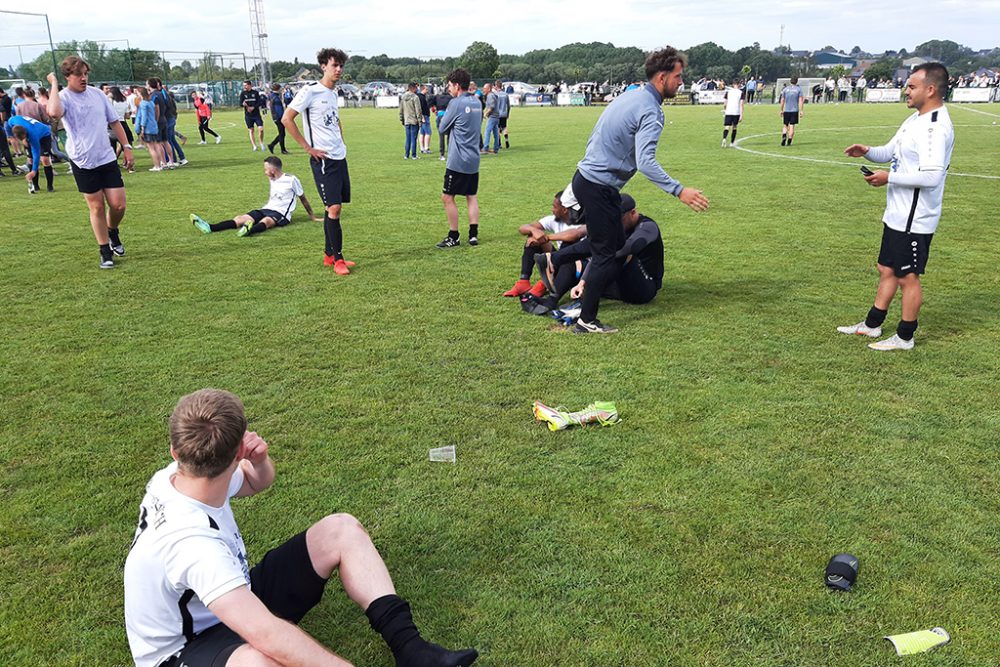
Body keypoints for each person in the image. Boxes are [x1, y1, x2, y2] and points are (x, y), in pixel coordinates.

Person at [124, 388, 479, 667]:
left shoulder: (179, 475)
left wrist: (259, 462)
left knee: (340, 530)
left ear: (175, 450)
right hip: (186, 646)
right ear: (234, 455)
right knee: (259, 660)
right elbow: (267, 633)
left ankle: (413, 652)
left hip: (232, 593)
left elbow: (256, 482)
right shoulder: (194, 547)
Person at [569, 46, 709, 333]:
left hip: (584, 179)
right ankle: (586, 319)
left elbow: (597, 135)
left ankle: (581, 290)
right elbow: (646, 162)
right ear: (661, 77)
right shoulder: (651, 110)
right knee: (606, 254)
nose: (681, 82)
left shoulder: (630, 95)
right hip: (599, 187)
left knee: (613, 245)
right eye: (678, 77)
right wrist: (679, 190)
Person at [838, 63, 955, 351]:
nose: (907, 90)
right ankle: (872, 325)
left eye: (912, 86)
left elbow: (931, 176)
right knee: (887, 268)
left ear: (930, 89)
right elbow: (890, 152)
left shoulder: (934, 128)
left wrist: (889, 177)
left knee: (907, 276)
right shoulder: (915, 120)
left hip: (915, 218)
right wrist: (867, 152)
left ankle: (905, 337)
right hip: (898, 214)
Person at [46, 57, 134, 269]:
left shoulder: (97, 95)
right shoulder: (63, 97)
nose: (84, 78)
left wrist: (127, 147)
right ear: (68, 77)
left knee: (118, 205)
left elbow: (114, 121)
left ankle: (112, 231)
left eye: (86, 74)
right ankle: (105, 251)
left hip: (106, 157)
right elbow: (54, 113)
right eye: (78, 75)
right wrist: (54, 85)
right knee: (96, 207)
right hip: (82, 160)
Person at [284, 48, 356, 275]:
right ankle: (339, 260)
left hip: (338, 156)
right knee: (333, 208)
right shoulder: (310, 91)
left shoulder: (333, 93)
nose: (339, 70)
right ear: (323, 66)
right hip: (323, 160)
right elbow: (287, 118)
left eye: (341, 66)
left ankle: (329, 255)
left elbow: (335, 121)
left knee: (333, 207)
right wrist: (308, 148)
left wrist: (342, 143)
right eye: (335, 65)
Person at [534, 194, 664, 314]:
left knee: (618, 253)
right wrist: (582, 282)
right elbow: (600, 253)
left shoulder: (648, 227)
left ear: (633, 213)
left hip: (644, 288)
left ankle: (556, 260)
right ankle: (551, 301)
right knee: (576, 262)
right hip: (617, 287)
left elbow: (624, 249)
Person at [191, 156, 321, 237]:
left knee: (267, 221)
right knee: (240, 218)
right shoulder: (272, 178)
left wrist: (312, 216)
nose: (265, 172)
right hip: (267, 208)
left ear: (273, 170)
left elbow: (303, 198)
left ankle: (249, 230)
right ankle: (210, 227)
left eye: (266, 169)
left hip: (281, 213)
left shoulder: (292, 180)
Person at [503, 188, 587, 297]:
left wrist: (547, 237)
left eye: (554, 207)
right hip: (562, 260)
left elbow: (574, 235)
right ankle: (523, 282)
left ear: (565, 209)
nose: (552, 210)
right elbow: (523, 228)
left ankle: (544, 284)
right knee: (533, 238)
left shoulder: (583, 221)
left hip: (581, 267)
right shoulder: (554, 220)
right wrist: (534, 230)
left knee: (567, 246)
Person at [436, 68, 482, 248]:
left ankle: (453, 235)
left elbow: (442, 128)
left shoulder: (456, 103)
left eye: (449, 85)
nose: (448, 89)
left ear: (457, 85)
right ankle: (473, 234)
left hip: (457, 160)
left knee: (447, 197)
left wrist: (442, 117)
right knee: (471, 196)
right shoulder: (477, 102)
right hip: (474, 158)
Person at [6, 115, 54, 192]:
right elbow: (7, 125)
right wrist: (10, 136)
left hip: (44, 135)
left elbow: (36, 154)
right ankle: (35, 186)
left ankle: (50, 186)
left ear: (25, 134)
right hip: (29, 131)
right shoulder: (13, 120)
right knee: (30, 160)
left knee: (44, 159)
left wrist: (34, 171)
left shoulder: (33, 136)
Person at [135, 87, 166, 172]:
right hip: (154, 126)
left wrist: (142, 128)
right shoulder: (151, 102)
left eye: (137, 93)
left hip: (148, 127)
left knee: (151, 148)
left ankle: (156, 166)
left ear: (140, 94)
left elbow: (144, 117)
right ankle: (160, 164)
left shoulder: (143, 103)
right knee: (156, 146)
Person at [240, 80, 266, 151]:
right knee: (251, 130)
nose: (244, 87)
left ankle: (261, 142)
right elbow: (240, 103)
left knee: (261, 129)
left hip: (256, 115)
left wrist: (253, 107)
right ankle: (254, 146)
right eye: (244, 85)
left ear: (249, 85)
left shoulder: (255, 93)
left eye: (245, 85)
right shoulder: (242, 93)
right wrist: (243, 104)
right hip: (248, 115)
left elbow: (259, 102)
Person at [779, 76, 804, 146]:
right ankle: (789, 141)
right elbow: (801, 101)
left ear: (790, 81)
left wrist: (781, 110)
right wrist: (801, 110)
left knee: (785, 125)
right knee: (792, 126)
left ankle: (784, 136)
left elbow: (782, 100)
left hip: (786, 110)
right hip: (794, 110)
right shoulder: (799, 89)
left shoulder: (785, 89)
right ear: (797, 81)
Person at [399, 83, 421, 159]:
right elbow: (418, 110)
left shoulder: (403, 97)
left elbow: (401, 109)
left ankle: (406, 155)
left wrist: (401, 119)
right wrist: (420, 121)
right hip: (414, 120)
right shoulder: (415, 97)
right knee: (413, 139)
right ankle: (414, 155)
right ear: (414, 88)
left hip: (407, 120)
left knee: (408, 138)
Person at [267, 83, 289, 154]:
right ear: (277, 89)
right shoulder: (275, 97)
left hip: (276, 117)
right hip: (278, 117)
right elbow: (278, 109)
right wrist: (282, 117)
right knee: (282, 133)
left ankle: (274, 145)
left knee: (282, 133)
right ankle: (281, 149)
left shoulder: (273, 96)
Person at [721, 79, 743, 148]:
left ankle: (724, 139)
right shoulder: (740, 92)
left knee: (727, 126)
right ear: (738, 84)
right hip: (736, 112)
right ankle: (731, 142)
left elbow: (725, 103)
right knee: (734, 127)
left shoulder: (728, 92)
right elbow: (741, 104)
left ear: (733, 84)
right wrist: (741, 115)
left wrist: (725, 110)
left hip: (728, 111)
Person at [432, 87, 453, 161]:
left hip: (440, 116)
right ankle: (450, 153)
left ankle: (442, 154)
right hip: (448, 117)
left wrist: (434, 111)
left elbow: (432, 104)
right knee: (450, 136)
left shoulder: (437, 97)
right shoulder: (451, 98)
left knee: (441, 136)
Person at [481, 83, 500, 154]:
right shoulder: (491, 95)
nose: (483, 90)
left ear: (489, 89)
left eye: (485, 88)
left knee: (487, 132)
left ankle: (485, 148)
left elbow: (491, 107)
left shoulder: (490, 96)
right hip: (496, 116)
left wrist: (485, 114)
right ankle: (496, 149)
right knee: (495, 133)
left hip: (493, 117)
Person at [493, 80, 511, 149]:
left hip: (497, 114)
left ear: (496, 86)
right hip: (504, 113)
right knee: (504, 127)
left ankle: (499, 143)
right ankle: (506, 140)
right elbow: (509, 105)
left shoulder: (495, 94)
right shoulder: (505, 94)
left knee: (497, 128)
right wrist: (508, 113)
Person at [417, 85, 432, 154]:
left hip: (422, 116)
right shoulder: (422, 98)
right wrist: (422, 117)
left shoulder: (419, 97)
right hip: (424, 116)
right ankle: (426, 148)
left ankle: (422, 148)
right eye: (426, 89)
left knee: (422, 133)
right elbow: (420, 108)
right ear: (423, 89)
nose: (427, 90)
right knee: (428, 132)